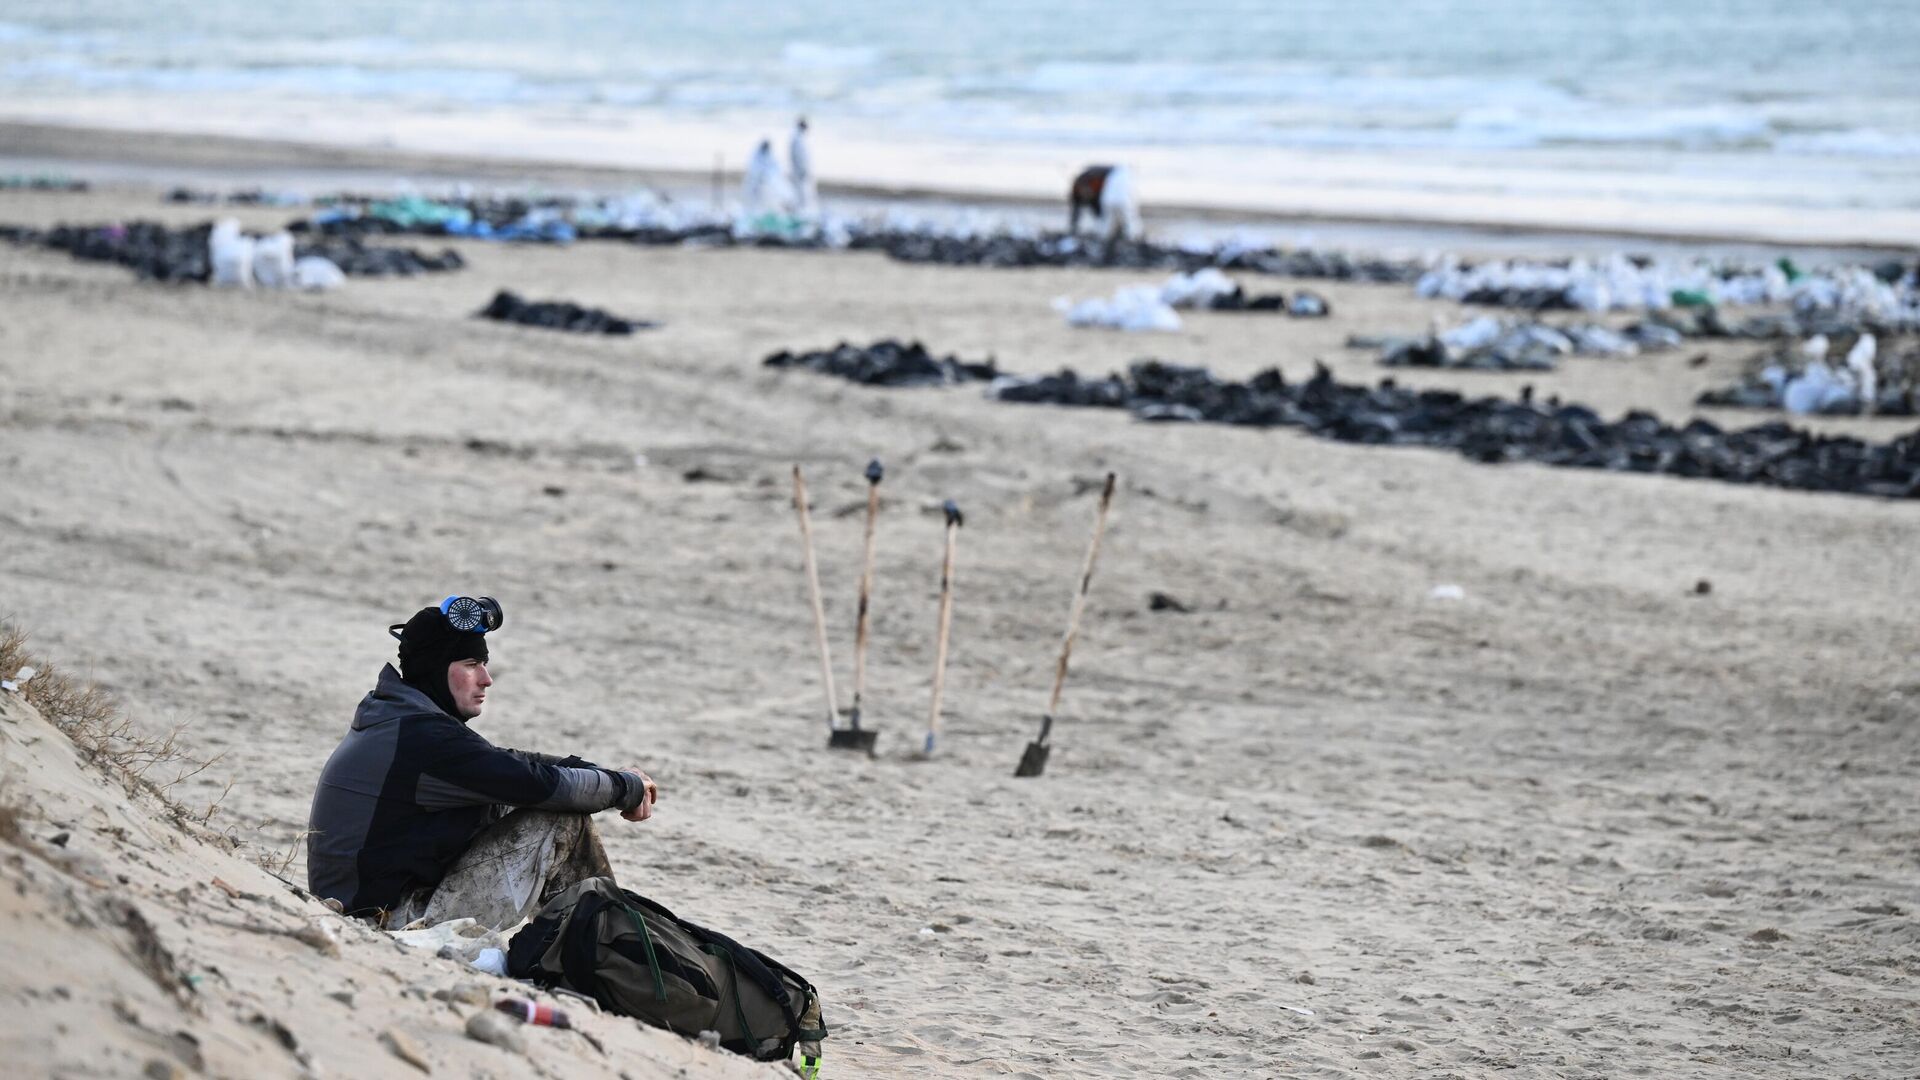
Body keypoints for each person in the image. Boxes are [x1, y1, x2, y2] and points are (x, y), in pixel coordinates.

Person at [306, 596, 657, 930]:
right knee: (561, 821)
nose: (486, 678)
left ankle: (590, 944)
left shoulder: (401, 720)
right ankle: (607, 949)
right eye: (471, 665)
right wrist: (626, 788)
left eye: (484, 664)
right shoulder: (426, 739)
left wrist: (603, 774)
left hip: (369, 906)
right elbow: (541, 786)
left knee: (524, 802)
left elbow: (511, 764)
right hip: (382, 920)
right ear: (435, 669)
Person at [1067, 164, 1141, 242]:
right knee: (1110, 214)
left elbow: (1098, 204)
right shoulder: (1078, 192)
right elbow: (1076, 210)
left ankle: (1130, 235)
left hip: (1115, 179)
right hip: (1110, 187)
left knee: (1120, 209)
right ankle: (1111, 235)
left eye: (1087, 193)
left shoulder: (1096, 180)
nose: (1086, 195)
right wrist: (1073, 228)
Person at [742, 138, 789, 218]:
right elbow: (753, 169)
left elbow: (776, 170)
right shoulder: (756, 155)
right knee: (755, 202)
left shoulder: (771, 156)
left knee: (769, 202)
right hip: (756, 184)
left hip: (767, 185)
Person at [787, 117, 817, 219]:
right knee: (800, 193)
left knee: (804, 193)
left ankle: (803, 211)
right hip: (799, 172)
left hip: (802, 171)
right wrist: (801, 170)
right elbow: (796, 156)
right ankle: (800, 213)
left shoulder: (800, 137)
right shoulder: (797, 138)